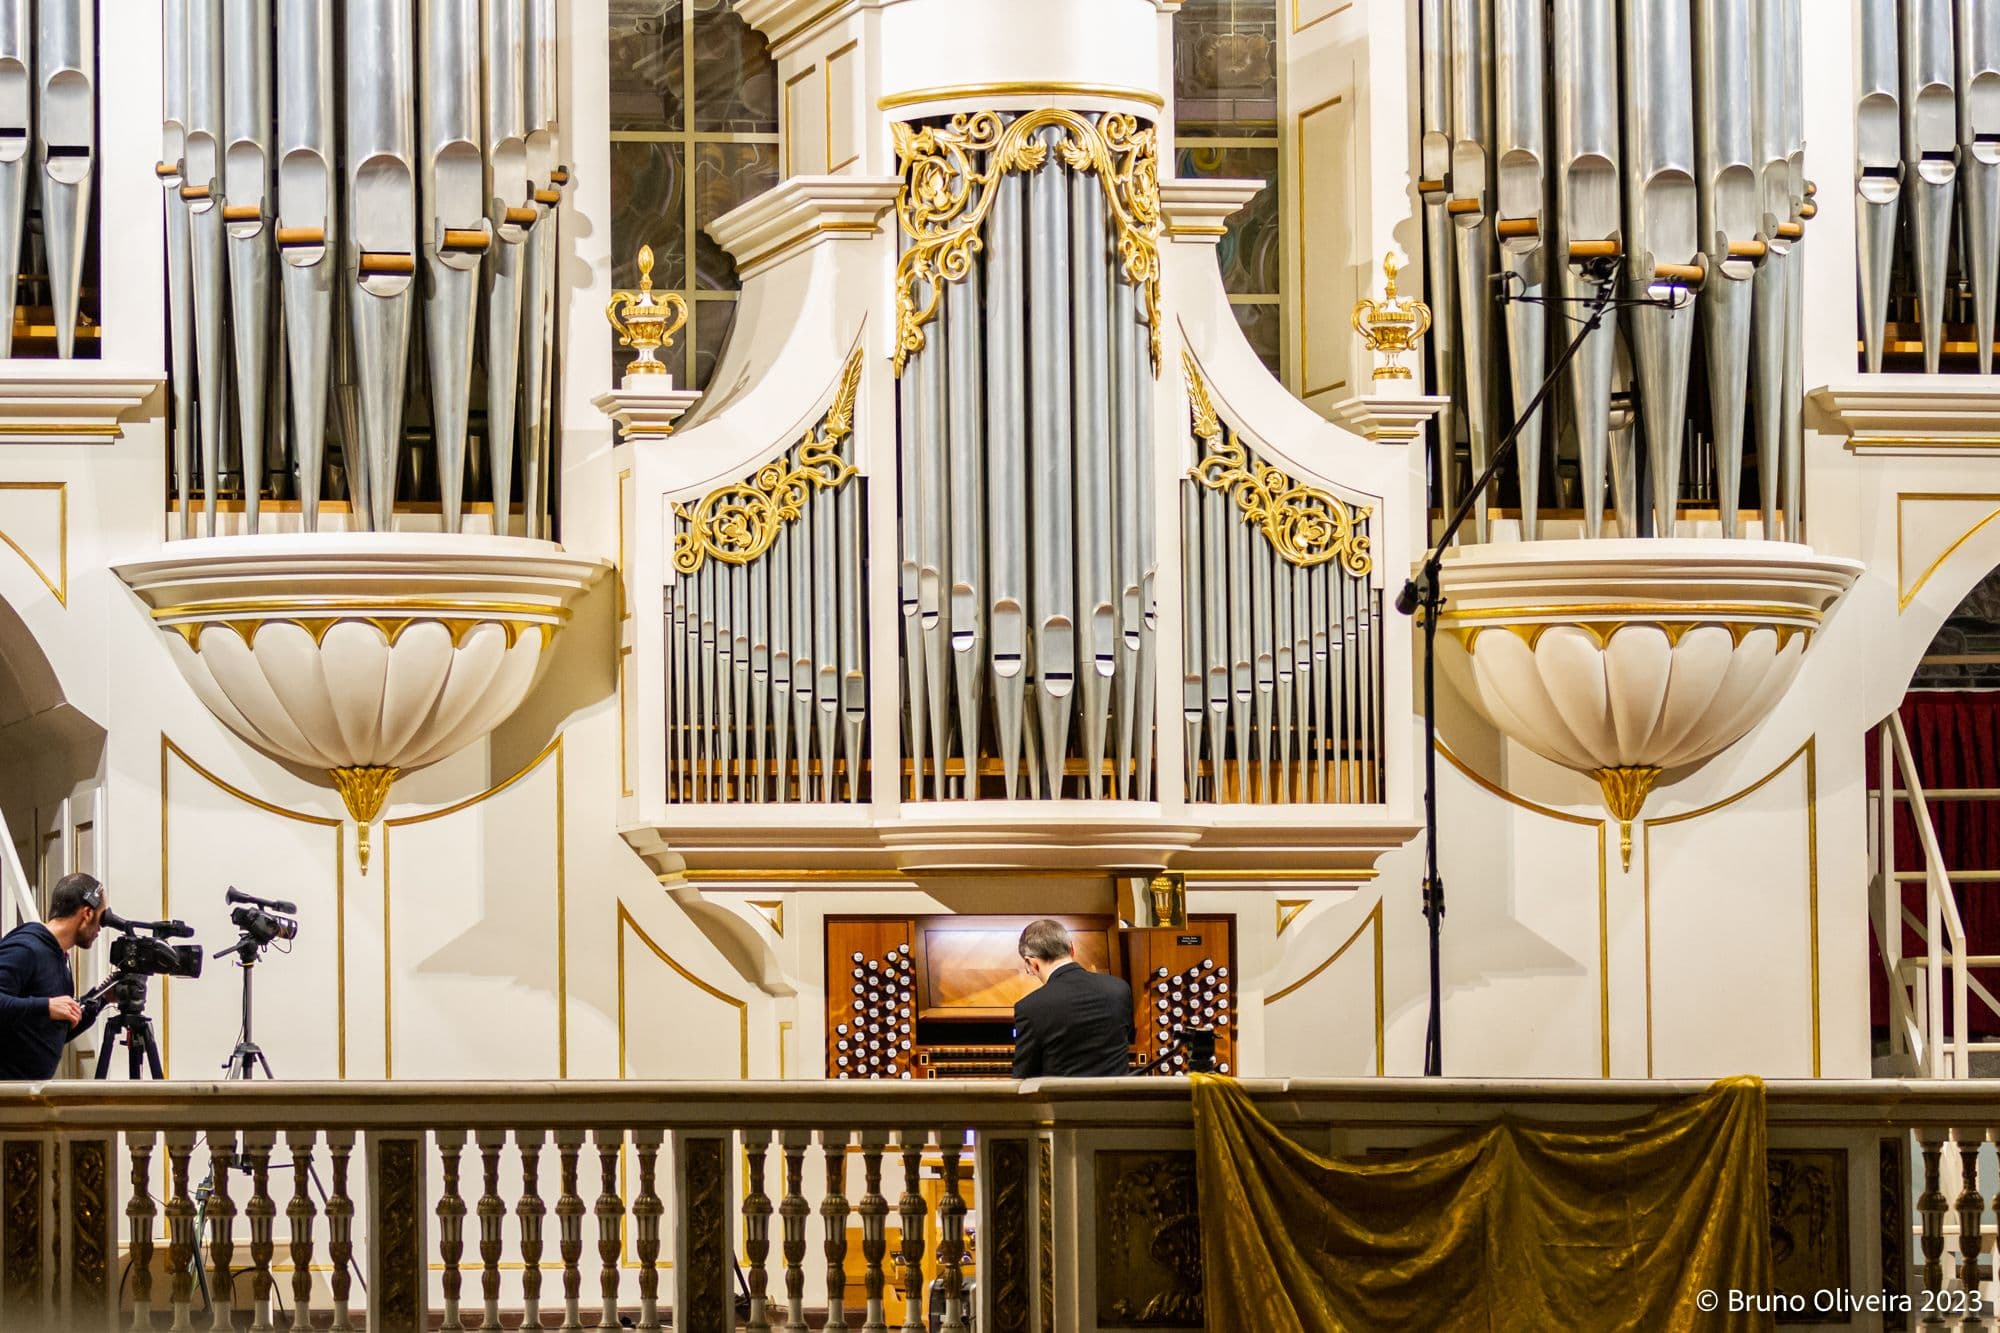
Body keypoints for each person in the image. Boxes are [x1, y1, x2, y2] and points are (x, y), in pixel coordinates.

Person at [0, 872, 107, 1079]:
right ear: (86, 914)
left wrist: (101, 999)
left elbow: (50, 1033)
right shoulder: (27, 947)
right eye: (102, 917)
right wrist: (46, 1006)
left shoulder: (57, 956)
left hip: (26, 1097)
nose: (100, 929)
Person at [1011, 918, 1134, 1078]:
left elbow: (1024, 1076)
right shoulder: (1119, 989)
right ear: (1072, 949)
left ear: (1032, 963)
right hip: (1116, 1100)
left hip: (1062, 1102)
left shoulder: (1030, 1007)